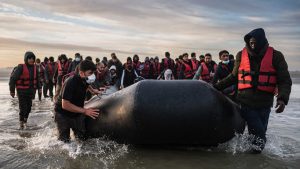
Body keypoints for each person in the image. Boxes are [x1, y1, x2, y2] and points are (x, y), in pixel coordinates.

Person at [214, 28, 292, 153]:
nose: (253, 45)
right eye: (251, 43)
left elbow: (284, 80)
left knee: (258, 134)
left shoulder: (276, 56)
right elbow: (233, 76)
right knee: (259, 136)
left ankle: (249, 154)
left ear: (262, 41)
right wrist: (214, 87)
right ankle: (254, 160)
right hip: (245, 102)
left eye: (255, 42)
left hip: (265, 103)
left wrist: (282, 99)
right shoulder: (241, 54)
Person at [54, 60, 100, 142]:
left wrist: (93, 91)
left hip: (77, 112)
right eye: (90, 73)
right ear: (81, 73)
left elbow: (87, 84)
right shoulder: (70, 82)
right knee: (64, 142)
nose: (92, 75)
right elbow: (65, 105)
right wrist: (85, 111)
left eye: (93, 73)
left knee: (82, 140)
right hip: (63, 113)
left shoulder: (85, 79)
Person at [9, 51, 41, 129]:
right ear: (26, 59)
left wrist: (39, 88)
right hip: (21, 91)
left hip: (31, 91)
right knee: (23, 107)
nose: (31, 60)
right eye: (29, 58)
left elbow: (37, 79)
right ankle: (21, 123)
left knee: (29, 107)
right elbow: (12, 79)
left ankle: (25, 121)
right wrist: (12, 91)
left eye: (32, 58)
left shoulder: (35, 68)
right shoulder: (20, 67)